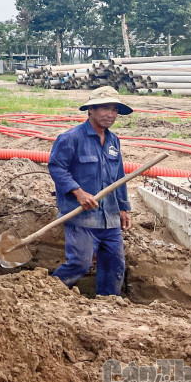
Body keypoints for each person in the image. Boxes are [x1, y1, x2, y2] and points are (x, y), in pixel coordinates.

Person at [48, 86, 133, 296]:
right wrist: (78, 192)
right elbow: (57, 167)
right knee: (80, 264)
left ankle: (108, 304)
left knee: (115, 265)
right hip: (81, 217)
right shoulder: (71, 138)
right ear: (91, 110)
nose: (110, 114)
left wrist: (123, 208)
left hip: (109, 218)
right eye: (104, 108)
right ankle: (45, 293)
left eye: (114, 110)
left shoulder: (113, 141)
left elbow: (119, 177)